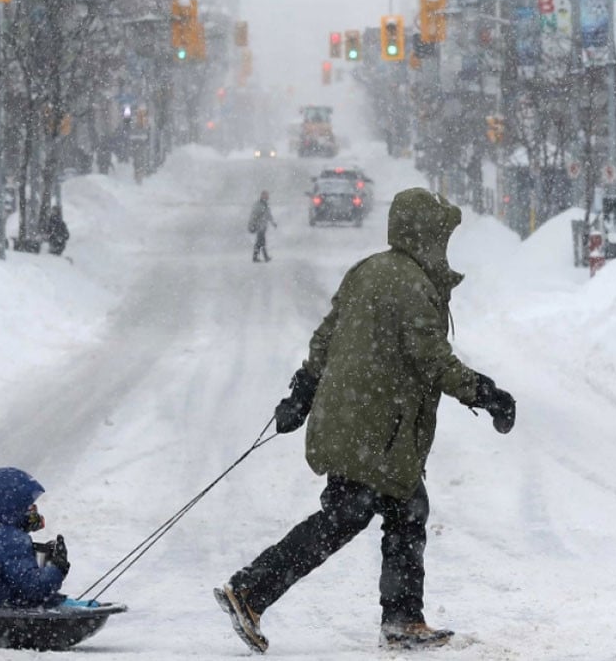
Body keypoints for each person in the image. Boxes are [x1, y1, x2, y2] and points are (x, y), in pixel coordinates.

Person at [215, 188, 517, 653]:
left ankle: (399, 619)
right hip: (377, 432)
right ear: (426, 235)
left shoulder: (368, 270)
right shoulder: (413, 285)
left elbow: (324, 339)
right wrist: (488, 394)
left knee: (403, 510)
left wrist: (301, 393)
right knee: (352, 516)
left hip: (355, 422)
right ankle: (253, 590)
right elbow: (433, 360)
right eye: (442, 235)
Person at [0, 467, 70, 607]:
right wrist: (57, 568)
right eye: (30, 506)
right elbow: (32, 588)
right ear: (15, 507)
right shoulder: (14, 541)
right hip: (7, 612)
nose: (34, 512)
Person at [248, 191, 276, 262]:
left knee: (259, 242)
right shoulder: (259, 205)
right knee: (261, 242)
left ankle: (256, 257)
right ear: (262, 196)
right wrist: (252, 224)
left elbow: (269, 215)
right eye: (266, 195)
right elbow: (254, 215)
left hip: (263, 226)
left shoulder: (266, 204)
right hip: (259, 226)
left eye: (267, 195)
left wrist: (273, 222)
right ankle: (264, 257)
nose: (267, 197)